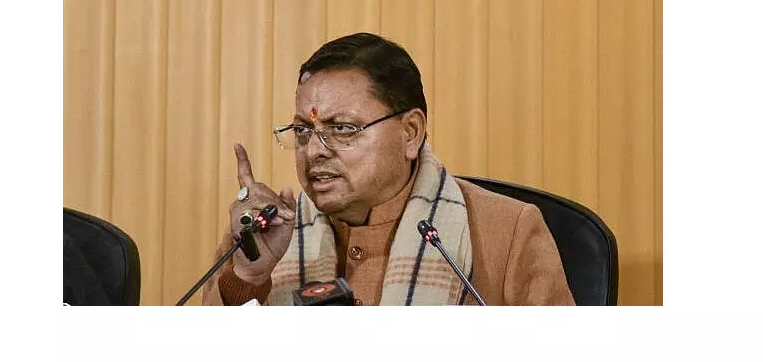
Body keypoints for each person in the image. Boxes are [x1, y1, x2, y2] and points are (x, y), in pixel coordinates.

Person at [202, 32, 574, 306]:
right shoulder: (261, 237)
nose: (313, 150)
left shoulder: (507, 232)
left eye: (342, 128)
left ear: (411, 132)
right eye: (302, 130)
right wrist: (248, 278)